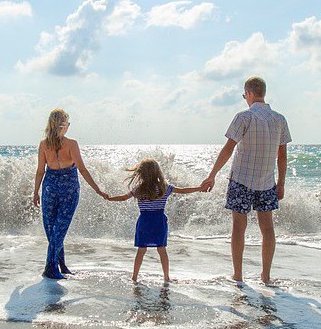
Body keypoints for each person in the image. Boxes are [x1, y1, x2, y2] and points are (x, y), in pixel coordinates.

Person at [200, 76, 291, 284]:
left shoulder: (244, 117)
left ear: (249, 93)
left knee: (238, 228)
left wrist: (212, 174)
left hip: (241, 179)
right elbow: (282, 156)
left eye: (244, 95)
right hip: (267, 182)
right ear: (263, 93)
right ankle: (265, 276)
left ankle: (238, 275)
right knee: (267, 229)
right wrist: (282, 183)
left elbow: (228, 149)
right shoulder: (280, 119)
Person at [32, 109, 107, 279]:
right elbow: (82, 169)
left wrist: (35, 192)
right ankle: (50, 268)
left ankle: (61, 265)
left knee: (54, 230)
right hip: (69, 189)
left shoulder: (44, 144)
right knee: (58, 230)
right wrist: (97, 189)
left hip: (50, 188)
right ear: (65, 126)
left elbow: (40, 171)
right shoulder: (71, 144)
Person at [104, 158, 203, 283]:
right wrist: (199, 188)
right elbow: (183, 191)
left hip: (144, 221)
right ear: (158, 172)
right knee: (162, 250)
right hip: (159, 222)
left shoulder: (139, 189)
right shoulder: (164, 188)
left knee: (141, 250)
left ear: (141, 173)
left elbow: (124, 198)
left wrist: (109, 198)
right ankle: (166, 277)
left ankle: (134, 277)